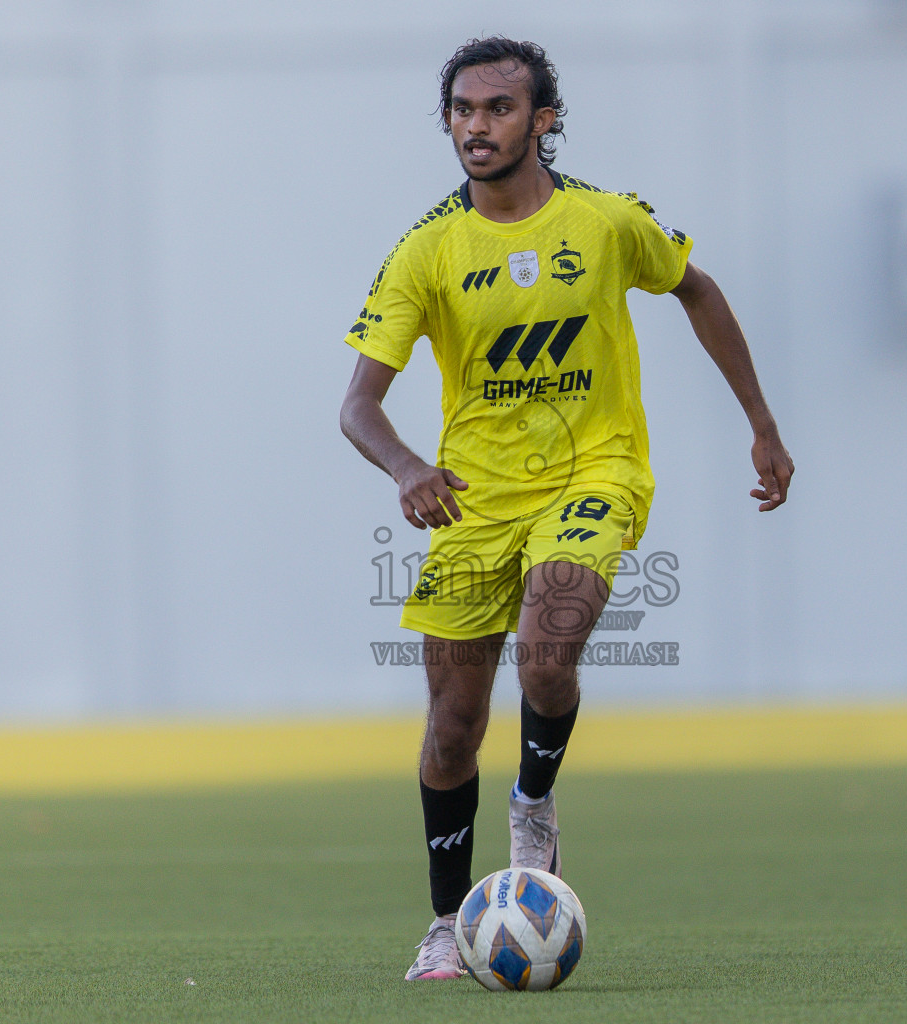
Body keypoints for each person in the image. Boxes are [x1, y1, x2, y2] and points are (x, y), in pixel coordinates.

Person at [338, 36, 793, 981]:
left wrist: (761, 425)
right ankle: (446, 924)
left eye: (499, 108)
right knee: (451, 727)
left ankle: (533, 805)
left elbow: (697, 291)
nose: (476, 126)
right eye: (462, 110)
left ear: (544, 120)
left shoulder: (608, 222)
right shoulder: (427, 250)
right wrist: (405, 466)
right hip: (473, 499)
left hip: (597, 470)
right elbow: (358, 405)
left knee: (550, 646)